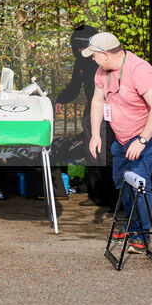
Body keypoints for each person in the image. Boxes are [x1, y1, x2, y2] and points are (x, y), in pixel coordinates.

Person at [85, 32, 152, 254]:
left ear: (104, 54)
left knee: (139, 182)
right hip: (122, 135)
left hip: (148, 132)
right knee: (122, 182)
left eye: (93, 55)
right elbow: (97, 101)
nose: (92, 59)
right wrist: (95, 134)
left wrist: (142, 140)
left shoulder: (139, 70)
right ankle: (131, 226)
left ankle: (143, 236)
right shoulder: (101, 71)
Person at [54, 24, 114, 206]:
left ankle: (111, 197)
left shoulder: (102, 59)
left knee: (107, 153)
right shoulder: (80, 61)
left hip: (109, 109)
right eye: (77, 48)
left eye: (83, 47)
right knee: (92, 152)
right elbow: (74, 86)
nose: (80, 51)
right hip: (91, 109)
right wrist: (61, 99)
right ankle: (96, 195)